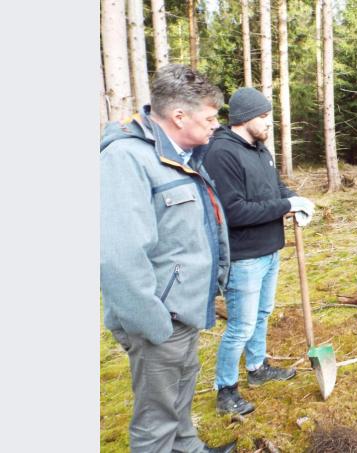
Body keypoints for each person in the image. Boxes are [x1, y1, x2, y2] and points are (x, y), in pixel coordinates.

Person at [100, 64, 235, 453]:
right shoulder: (126, 159)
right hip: (159, 316)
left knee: (181, 389)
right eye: (209, 118)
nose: (215, 126)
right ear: (179, 116)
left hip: (183, 310)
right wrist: (153, 323)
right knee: (155, 417)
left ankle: (188, 447)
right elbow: (118, 257)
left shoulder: (178, 154)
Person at [203, 87, 315, 415]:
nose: (269, 121)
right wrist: (285, 204)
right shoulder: (221, 153)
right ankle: (225, 390)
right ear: (246, 117)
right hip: (244, 255)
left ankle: (257, 368)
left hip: (270, 249)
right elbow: (233, 211)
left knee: (262, 314)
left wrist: (297, 201)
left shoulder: (260, 149)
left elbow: (275, 188)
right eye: (264, 116)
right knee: (241, 324)